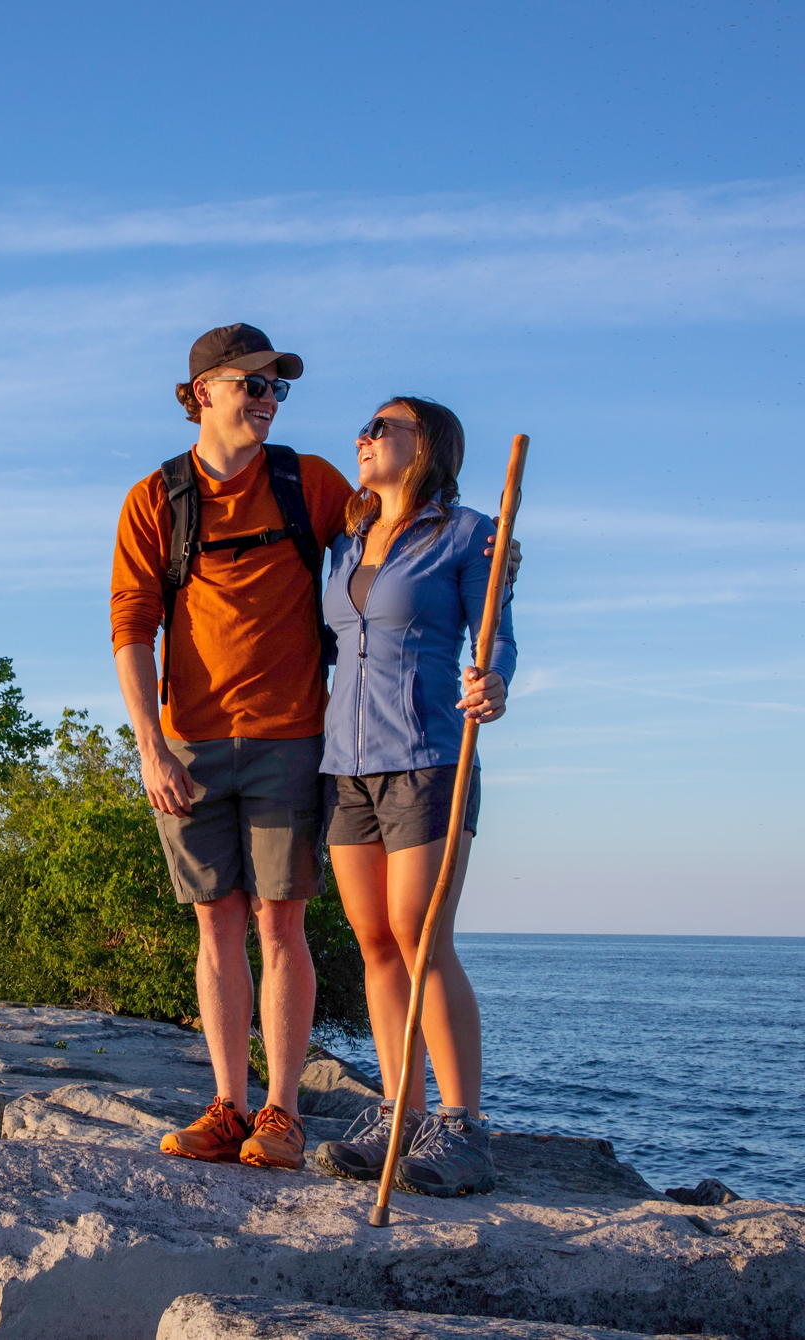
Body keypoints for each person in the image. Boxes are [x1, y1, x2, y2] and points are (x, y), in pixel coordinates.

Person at [110, 329, 511, 1172]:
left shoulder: (314, 484)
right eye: (250, 384)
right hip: (211, 743)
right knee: (232, 925)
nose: (266, 398)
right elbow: (131, 626)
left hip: (308, 740)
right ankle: (239, 1104)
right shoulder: (158, 499)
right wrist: (150, 745)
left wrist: (498, 568)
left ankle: (296, 1115)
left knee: (302, 923)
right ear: (202, 391)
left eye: (275, 389)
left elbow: (447, 561)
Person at [314, 396, 514, 1198]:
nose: (363, 438)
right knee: (373, 942)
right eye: (364, 428)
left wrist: (494, 679)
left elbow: (493, 631)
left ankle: (463, 1130)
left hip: (430, 756)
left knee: (419, 934)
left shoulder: (469, 536)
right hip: (345, 767)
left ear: (425, 444)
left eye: (381, 428)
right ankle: (398, 1110)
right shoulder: (346, 544)